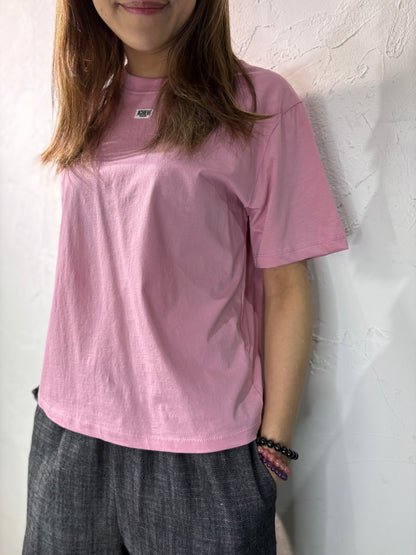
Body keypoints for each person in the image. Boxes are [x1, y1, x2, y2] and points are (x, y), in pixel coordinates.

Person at [22, 0, 349, 553]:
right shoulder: (91, 102)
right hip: (70, 433)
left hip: (202, 453)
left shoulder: (259, 103)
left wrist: (274, 449)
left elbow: (287, 286)